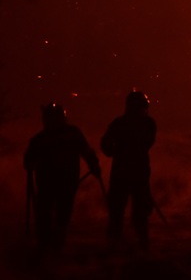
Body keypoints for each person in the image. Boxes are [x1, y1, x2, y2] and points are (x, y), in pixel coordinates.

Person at [23, 103, 101, 254]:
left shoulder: (62, 135)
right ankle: (47, 244)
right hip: (52, 182)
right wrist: (93, 165)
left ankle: (52, 244)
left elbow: (86, 151)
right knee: (50, 213)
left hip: (62, 182)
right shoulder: (44, 139)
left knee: (59, 213)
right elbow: (28, 160)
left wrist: (94, 164)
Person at [101, 90, 157, 250]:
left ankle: (139, 243)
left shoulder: (145, 124)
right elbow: (105, 143)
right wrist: (112, 150)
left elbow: (145, 143)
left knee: (138, 211)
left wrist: (116, 149)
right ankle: (116, 243)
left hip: (135, 173)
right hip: (127, 173)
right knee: (117, 210)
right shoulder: (126, 123)